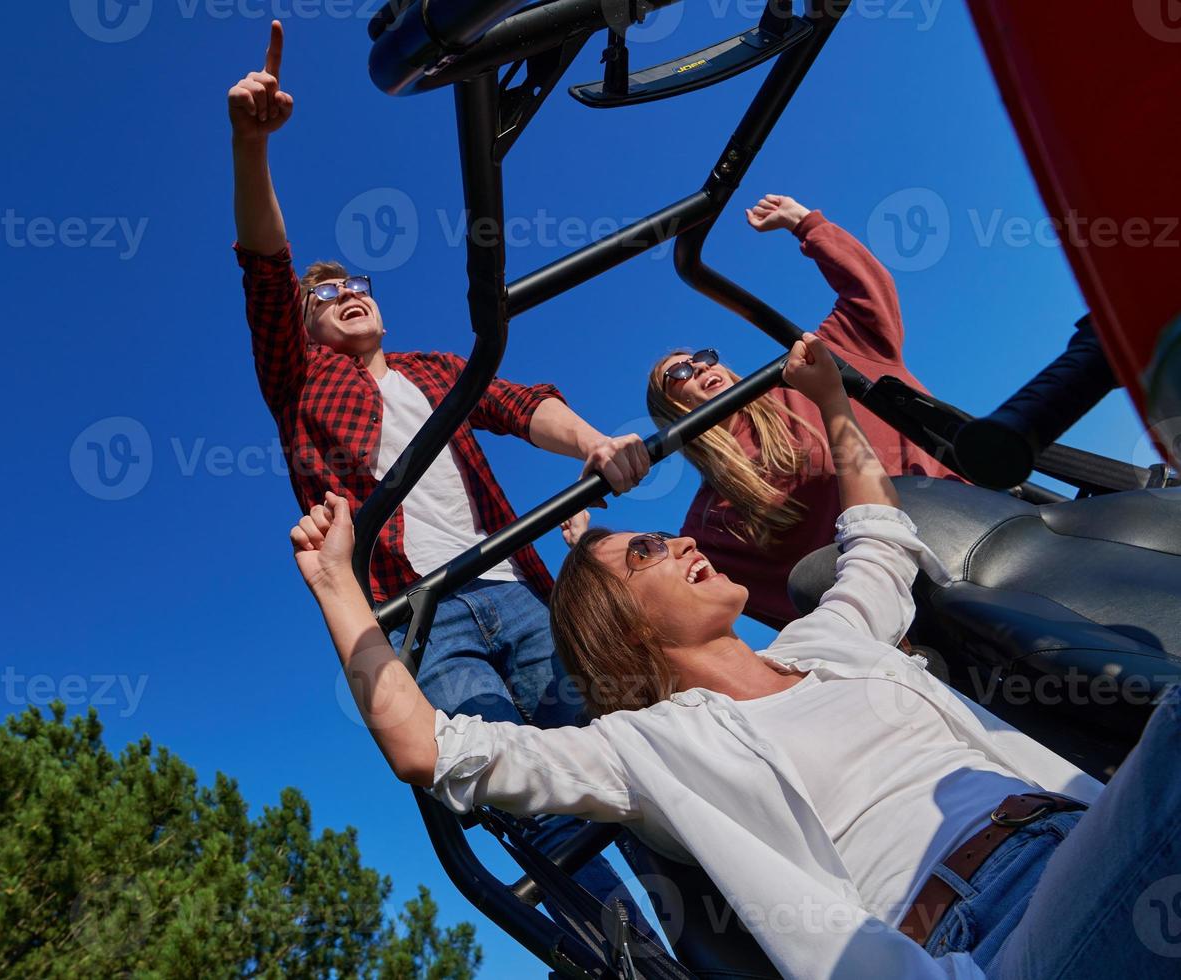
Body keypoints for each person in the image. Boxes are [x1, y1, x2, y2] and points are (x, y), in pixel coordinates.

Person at [292, 332, 1181, 979]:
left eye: (660, 537)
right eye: (644, 552)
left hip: (1086, 821)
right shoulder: (649, 750)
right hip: (992, 936)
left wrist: (833, 401)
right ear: (620, 626)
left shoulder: (832, 640)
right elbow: (430, 748)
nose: (676, 543)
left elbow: (876, 530)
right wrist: (339, 586)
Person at [229, 20, 654, 930]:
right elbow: (266, 270)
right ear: (305, 327)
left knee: (622, 759)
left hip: (515, 585)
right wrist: (251, 144)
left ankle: (731, 931)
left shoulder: (430, 370)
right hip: (424, 617)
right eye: (327, 293)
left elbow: (514, 400)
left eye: (361, 284)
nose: (350, 293)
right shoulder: (299, 380)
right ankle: (631, 959)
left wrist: (586, 442)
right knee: (526, 800)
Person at [633, 194, 961, 628]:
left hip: (965, 517)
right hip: (902, 608)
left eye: (704, 358)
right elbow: (758, 603)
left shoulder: (805, 375)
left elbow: (866, 297)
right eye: (678, 372)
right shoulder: (711, 519)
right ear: (669, 409)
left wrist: (806, 224)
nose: (698, 366)